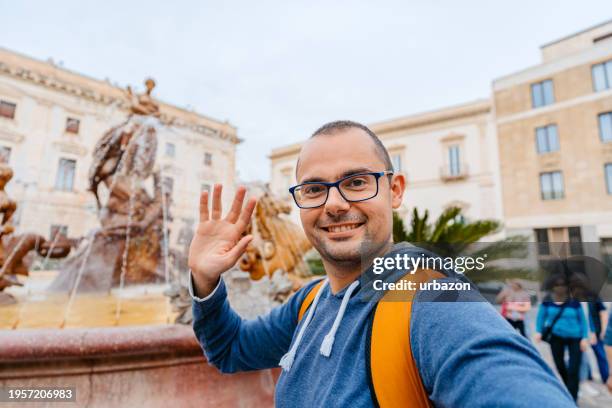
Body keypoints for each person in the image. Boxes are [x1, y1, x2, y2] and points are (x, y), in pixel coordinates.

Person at [188, 120, 574, 407]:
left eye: (356, 182)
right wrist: (204, 280)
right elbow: (230, 349)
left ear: (395, 191)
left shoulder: (431, 298)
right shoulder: (308, 302)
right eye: (315, 189)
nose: (334, 204)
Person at [534, 274, 589, 402]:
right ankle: (568, 388)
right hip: (556, 337)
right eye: (557, 285)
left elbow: (583, 320)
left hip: (575, 337)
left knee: (573, 369)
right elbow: (541, 316)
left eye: (563, 285)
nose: (560, 288)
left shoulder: (573, 301)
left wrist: (584, 338)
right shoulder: (548, 299)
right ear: (553, 287)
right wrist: (538, 331)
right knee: (560, 366)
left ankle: (572, 398)